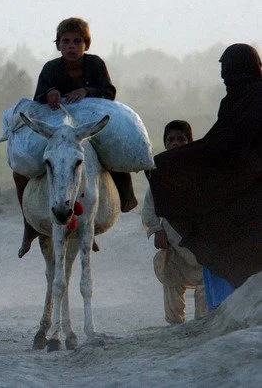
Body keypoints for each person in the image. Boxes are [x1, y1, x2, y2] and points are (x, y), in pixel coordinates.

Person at [148, 43, 262, 308]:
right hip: (245, 190)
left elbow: (227, 145)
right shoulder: (237, 99)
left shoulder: (251, 98)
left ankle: (226, 309)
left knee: (223, 240)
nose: (224, 76)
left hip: (249, 193)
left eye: (226, 69)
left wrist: (174, 163)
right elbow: (222, 142)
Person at [16, 17, 137, 258]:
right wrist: (49, 93)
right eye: (66, 41)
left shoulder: (95, 65)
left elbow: (108, 92)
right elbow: (38, 96)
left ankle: (123, 197)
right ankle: (28, 225)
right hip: (57, 126)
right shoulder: (51, 68)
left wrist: (87, 92)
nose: (71, 46)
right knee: (23, 167)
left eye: (77, 41)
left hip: (87, 123)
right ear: (58, 45)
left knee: (111, 148)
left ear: (86, 44)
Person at [142, 120, 205, 323]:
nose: (175, 143)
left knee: (206, 280)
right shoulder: (157, 174)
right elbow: (149, 208)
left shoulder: (199, 172)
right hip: (172, 241)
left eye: (181, 139)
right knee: (171, 277)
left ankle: (203, 323)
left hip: (199, 240)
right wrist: (157, 230)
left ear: (190, 142)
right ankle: (175, 325)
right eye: (170, 139)